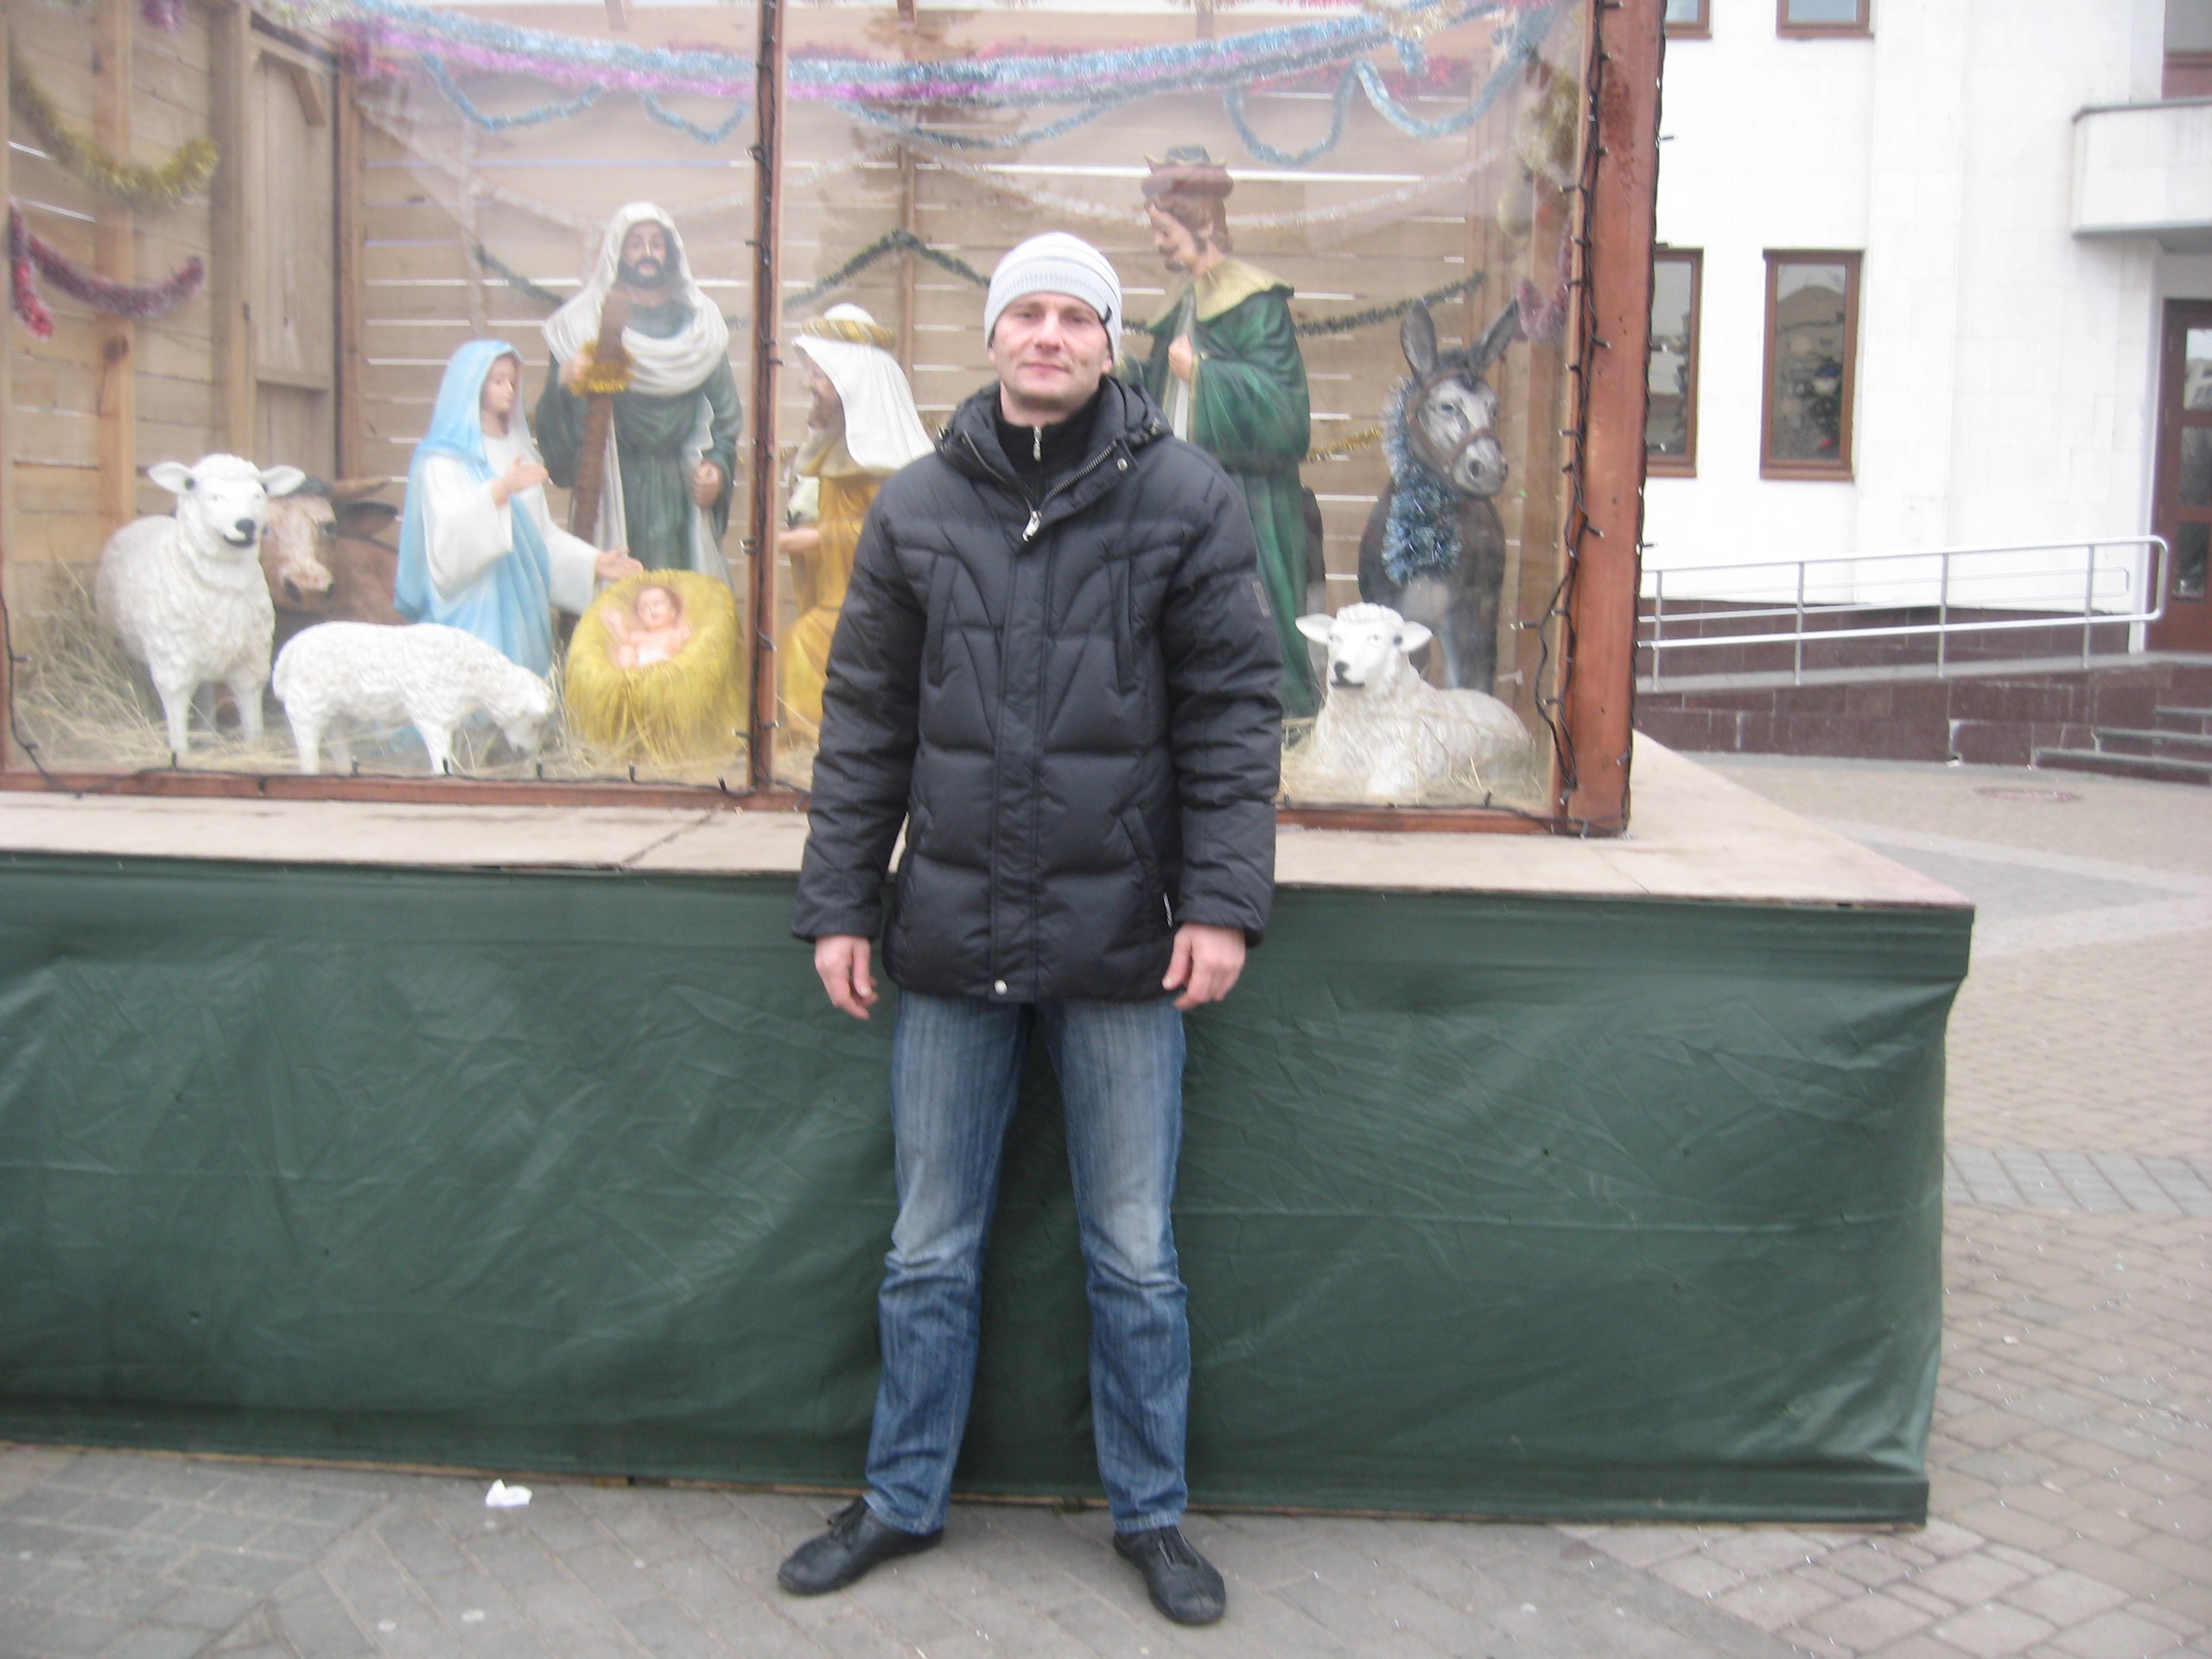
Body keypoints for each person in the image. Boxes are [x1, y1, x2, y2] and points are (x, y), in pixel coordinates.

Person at [782, 232, 1282, 1628]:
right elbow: (864, 724)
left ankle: (1152, 1515)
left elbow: (1235, 715)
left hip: (1126, 940)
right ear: (994, 335)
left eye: (1076, 315)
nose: (1049, 334)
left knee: (1134, 1254)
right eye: (1028, 312)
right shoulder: (917, 508)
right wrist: (840, 901)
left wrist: (1225, 902)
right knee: (927, 1248)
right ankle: (900, 1496)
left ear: (1109, 342)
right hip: (948, 934)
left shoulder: (1187, 500)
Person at [1126, 148, 1322, 719]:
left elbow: (1287, 415)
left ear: (1204, 224)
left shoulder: (1255, 301)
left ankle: (1273, 720)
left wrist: (1206, 376)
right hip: (1178, 494)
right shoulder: (1181, 302)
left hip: (1243, 498)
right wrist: (1125, 373)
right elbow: (1159, 393)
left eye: (1165, 231)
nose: (1159, 244)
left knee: (1249, 613)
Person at [394, 340, 640, 676]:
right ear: (471, 384)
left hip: (523, 612)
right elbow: (445, 545)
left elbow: (538, 538)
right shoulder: (443, 461)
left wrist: (593, 562)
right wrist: (499, 491)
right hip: (474, 613)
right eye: (497, 381)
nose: (508, 390)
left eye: (512, 381)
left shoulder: (516, 449)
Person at [536, 203, 744, 576]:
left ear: (670, 252)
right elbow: (559, 433)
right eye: (635, 244)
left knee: (677, 596)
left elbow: (726, 416)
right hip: (613, 485)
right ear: (618, 252)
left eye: (656, 244)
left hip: (678, 491)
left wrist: (716, 466)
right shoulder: (583, 324)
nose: (647, 253)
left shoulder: (700, 328)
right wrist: (565, 380)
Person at [779, 304, 933, 739]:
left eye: (819, 375)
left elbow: (895, 535)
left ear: (851, 383)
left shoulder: (889, 461)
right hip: (838, 597)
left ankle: (824, 741)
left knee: (803, 643)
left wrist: (817, 539)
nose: (809, 385)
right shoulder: (837, 446)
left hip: (878, 607)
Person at [601, 581, 693, 669]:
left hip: (661, 665)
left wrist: (686, 637)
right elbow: (625, 640)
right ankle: (629, 675)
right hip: (638, 666)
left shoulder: (674, 633)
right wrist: (618, 623)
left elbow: (685, 650)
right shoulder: (642, 636)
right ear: (641, 618)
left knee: (659, 662)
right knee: (626, 650)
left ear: (673, 611)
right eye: (645, 608)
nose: (652, 610)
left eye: (657, 604)